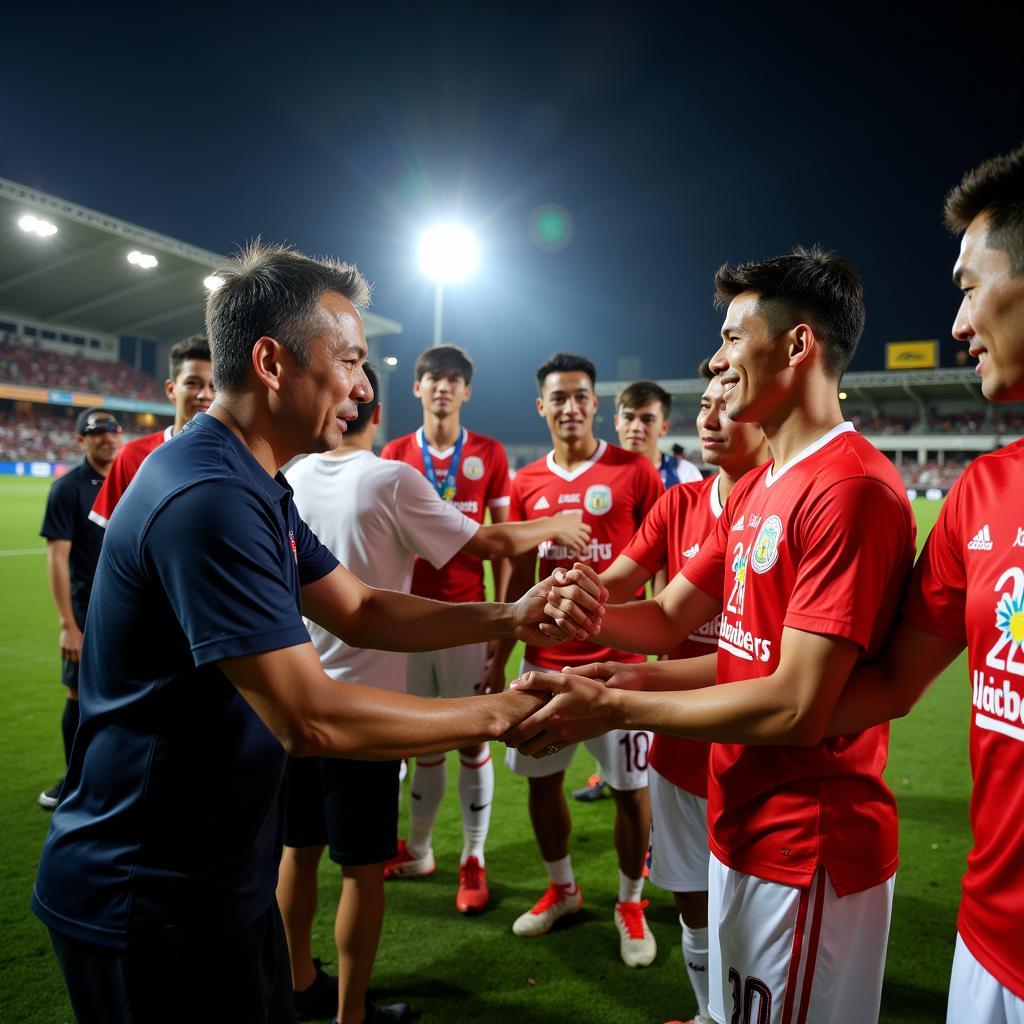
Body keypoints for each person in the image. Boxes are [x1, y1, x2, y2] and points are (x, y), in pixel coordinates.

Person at [31, 242, 605, 1024]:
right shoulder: (209, 496)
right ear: (271, 362)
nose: (365, 386)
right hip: (149, 895)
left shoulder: (252, 481)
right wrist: (506, 713)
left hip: (217, 872)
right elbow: (309, 717)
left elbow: (361, 608)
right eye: (351, 359)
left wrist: (507, 614)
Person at [515, 248, 917, 1023]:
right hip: (746, 819)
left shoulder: (851, 490)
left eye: (733, 338)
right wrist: (602, 658)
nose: (714, 360)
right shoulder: (765, 488)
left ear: (797, 346)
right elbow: (692, 630)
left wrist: (615, 706)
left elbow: (795, 707)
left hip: (807, 843)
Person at [278, 362, 591, 1023]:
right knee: (362, 869)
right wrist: (552, 528)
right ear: (382, 409)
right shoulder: (393, 474)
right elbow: (486, 541)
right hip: (365, 700)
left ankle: (296, 983)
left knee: (296, 853)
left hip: (296, 692)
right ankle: (350, 1013)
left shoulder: (291, 476)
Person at [823, 146, 1024, 1022]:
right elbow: (885, 684)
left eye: (970, 286)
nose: (957, 323)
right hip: (991, 948)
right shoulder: (980, 496)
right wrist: (646, 691)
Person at [600, 362, 769, 1023]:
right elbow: (627, 587)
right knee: (691, 897)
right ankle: (706, 1012)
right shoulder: (682, 504)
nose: (710, 416)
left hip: (748, 742)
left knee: (748, 913)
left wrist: (632, 676)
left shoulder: (778, 506)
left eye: (728, 404)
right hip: (677, 738)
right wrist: (564, 595)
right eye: (703, 404)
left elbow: (759, 659)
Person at [491, 351, 665, 967]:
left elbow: (660, 560)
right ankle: (563, 889)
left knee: (629, 789)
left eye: (581, 396)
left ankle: (630, 900)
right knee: (541, 783)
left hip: (617, 667)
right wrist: (499, 654)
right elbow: (515, 572)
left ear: (597, 403)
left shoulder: (636, 473)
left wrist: (662, 648)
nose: (570, 407)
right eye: (557, 398)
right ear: (542, 406)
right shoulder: (525, 481)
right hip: (543, 664)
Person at [379, 344, 534, 913]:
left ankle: (473, 857)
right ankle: (419, 849)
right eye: (431, 379)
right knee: (421, 743)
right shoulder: (395, 452)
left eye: (452, 380)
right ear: (416, 388)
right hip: (412, 622)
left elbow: (505, 548)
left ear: (466, 392)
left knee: (471, 742)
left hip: (468, 619)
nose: (442, 387)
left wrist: (501, 630)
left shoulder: (489, 454)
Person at [37, 407, 122, 809]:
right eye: (97, 433)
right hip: (86, 612)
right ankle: (76, 778)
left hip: (131, 610)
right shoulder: (68, 489)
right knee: (78, 694)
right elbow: (57, 558)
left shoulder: (131, 479)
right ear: (81, 440)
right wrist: (67, 624)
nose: (107, 439)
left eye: (112, 431)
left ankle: (119, 775)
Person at [89, 335, 214, 527]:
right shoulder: (131, 456)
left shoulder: (239, 457)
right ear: (171, 389)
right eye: (192, 383)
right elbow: (106, 539)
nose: (204, 394)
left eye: (214, 386)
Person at [615, 379, 703, 488]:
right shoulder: (595, 469)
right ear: (617, 422)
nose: (635, 427)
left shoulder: (685, 475)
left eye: (647, 419)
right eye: (628, 418)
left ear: (664, 427)